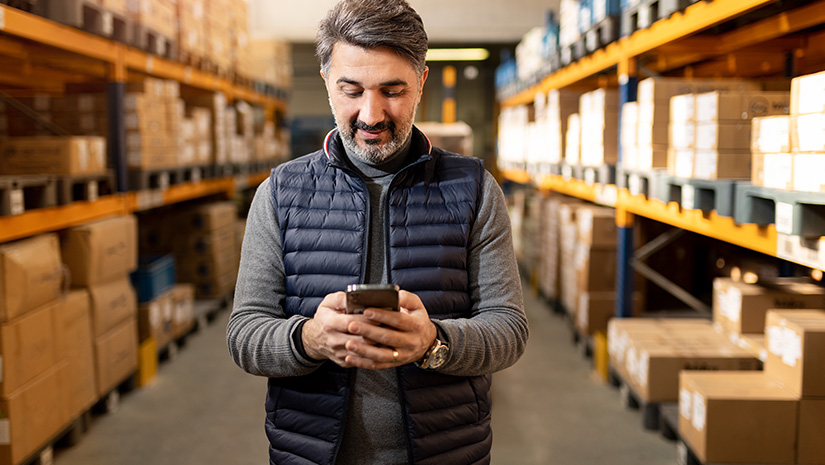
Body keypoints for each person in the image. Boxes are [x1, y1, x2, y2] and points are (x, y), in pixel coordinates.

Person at [226, 0, 528, 464]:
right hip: (310, 453)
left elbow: (508, 328)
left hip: (445, 451)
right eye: (351, 90)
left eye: (393, 90)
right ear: (327, 81)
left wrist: (434, 343)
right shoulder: (280, 193)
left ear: (421, 82)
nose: (371, 114)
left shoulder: (473, 190)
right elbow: (245, 333)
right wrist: (310, 339)